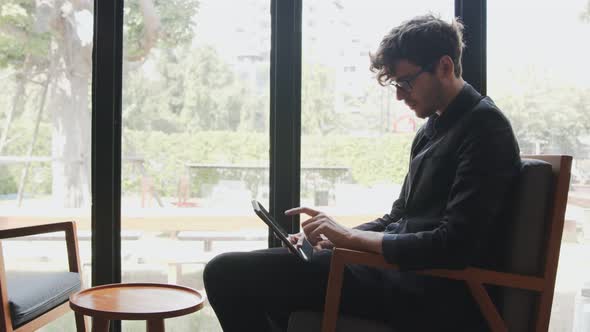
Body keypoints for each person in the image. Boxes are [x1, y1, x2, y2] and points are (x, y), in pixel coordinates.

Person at [204, 14, 520, 332]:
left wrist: (351, 239)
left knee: (225, 273)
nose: (399, 95)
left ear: (445, 67)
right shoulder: (432, 129)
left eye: (406, 82)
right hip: (393, 276)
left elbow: (455, 246)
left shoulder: (484, 128)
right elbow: (399, 217)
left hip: (430, 291)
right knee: (257, 281)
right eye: (396, 85)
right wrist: (338, 235)